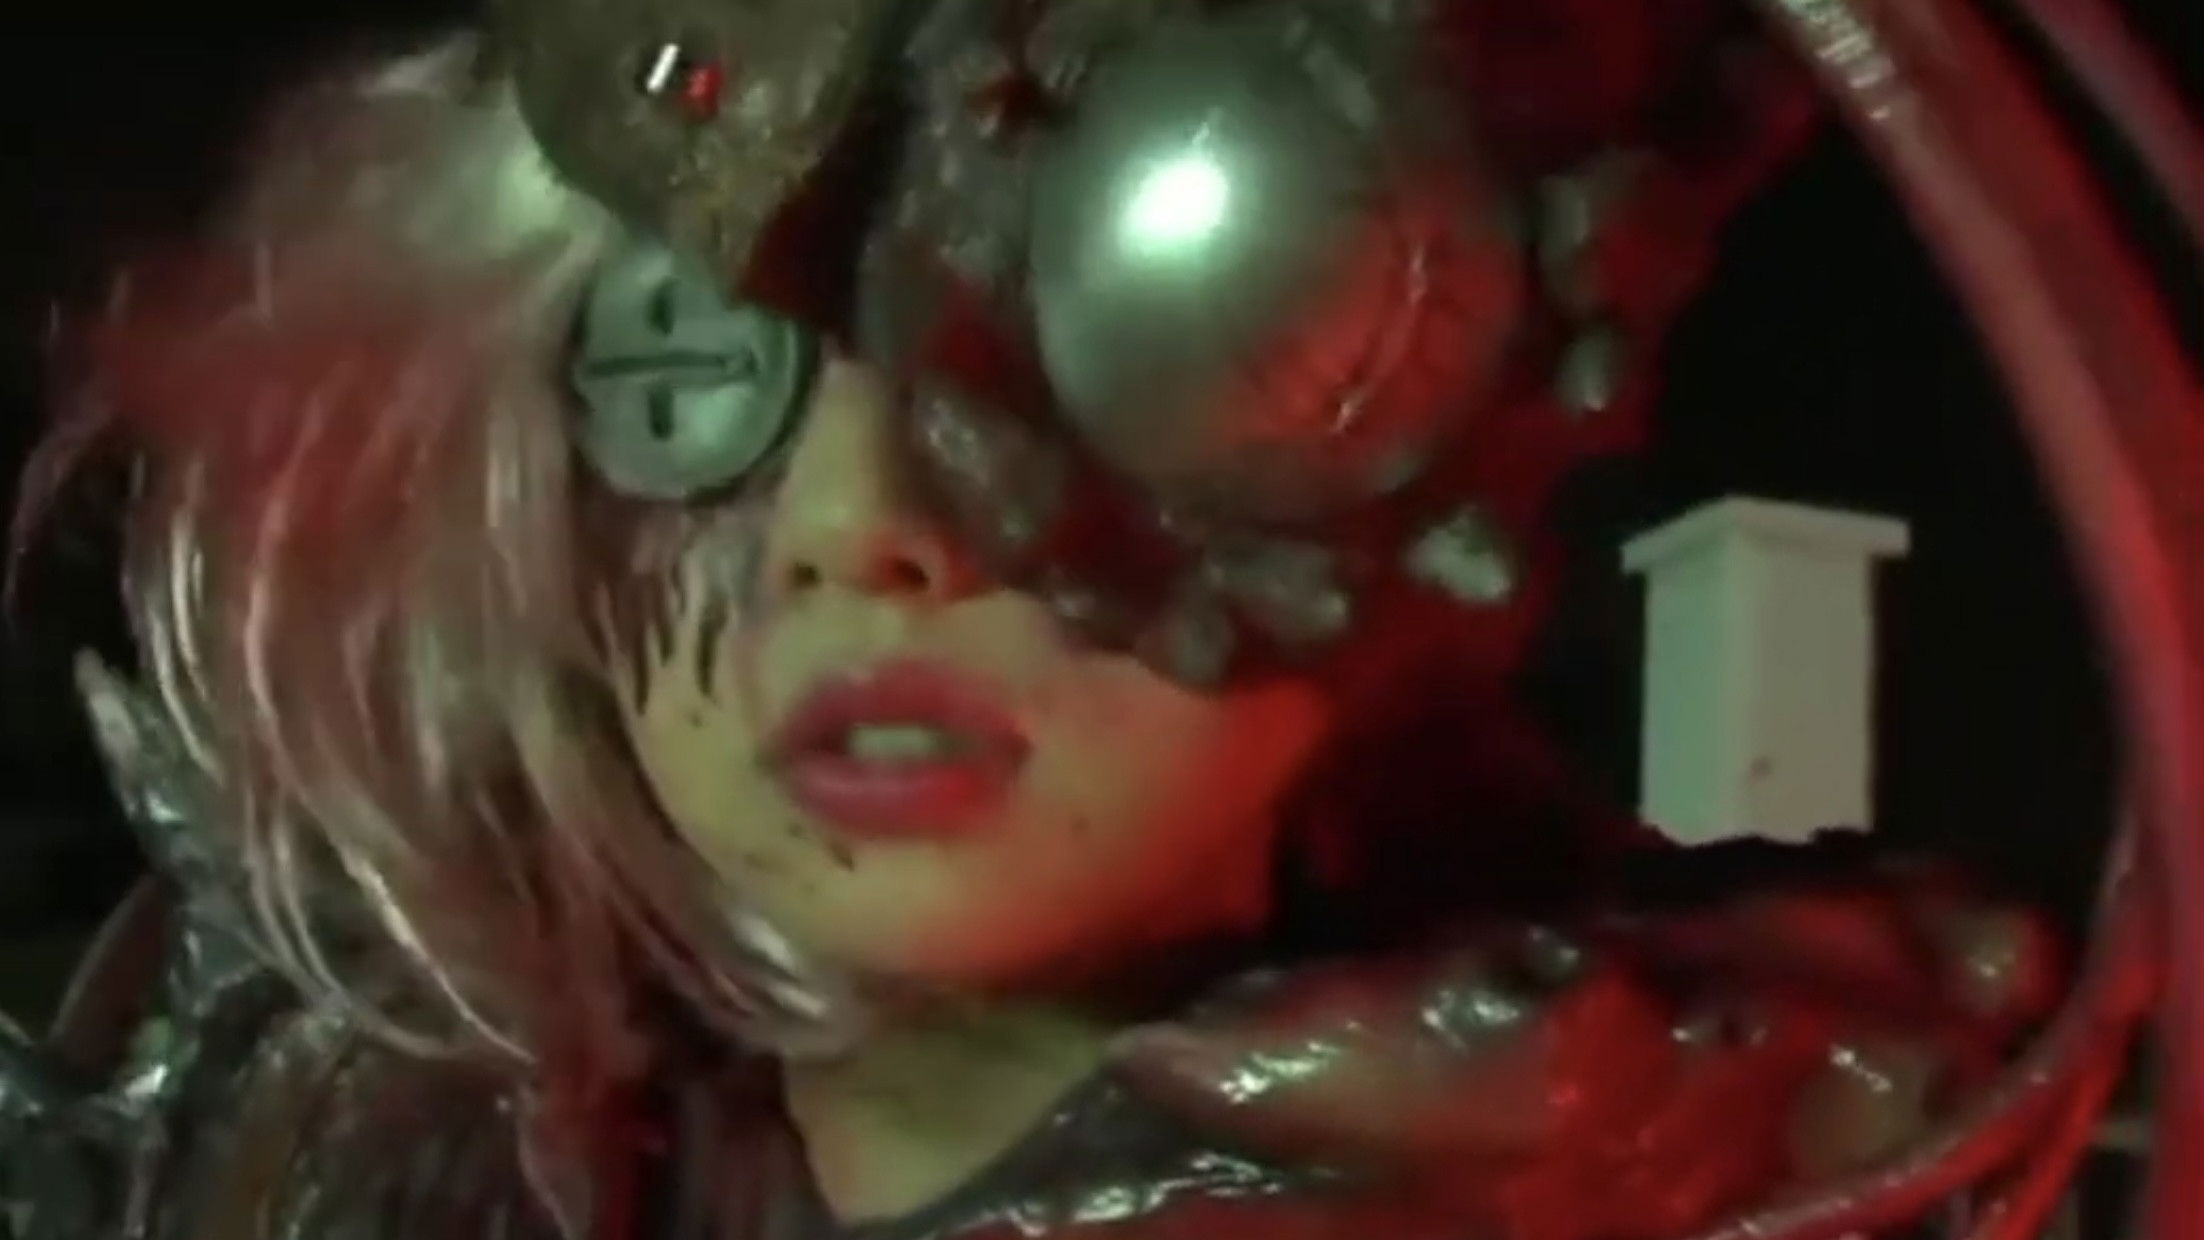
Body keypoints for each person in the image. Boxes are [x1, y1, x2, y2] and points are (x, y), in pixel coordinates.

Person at [3, 1, 2194, 1237]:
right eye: (696, 383)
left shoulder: (1796, 1172)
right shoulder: (333, 1170)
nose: (863, 536)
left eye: (1071, 377)